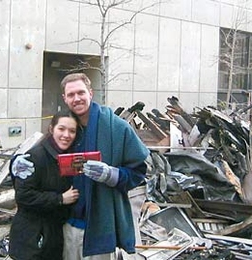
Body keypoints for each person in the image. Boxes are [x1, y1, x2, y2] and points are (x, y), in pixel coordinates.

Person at [12, 72, 150, 259]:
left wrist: (111, 175)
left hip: (100, 226)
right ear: (64, 99)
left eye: (81, 93)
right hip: (65, 225)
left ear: (90, 93)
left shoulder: (116, 128)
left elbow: (139, 171)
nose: (76, 98)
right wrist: (17, 162)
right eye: (71, 95)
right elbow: (42, 157)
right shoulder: (67, 130)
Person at [8, 110, 80, 260]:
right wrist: (60, 199)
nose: (66, 135)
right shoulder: (34, 157)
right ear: (51, 128)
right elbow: (23, 196)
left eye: (72, 131)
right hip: (31, 240)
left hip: (52, 237)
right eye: (61, 129)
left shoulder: (69, 158)